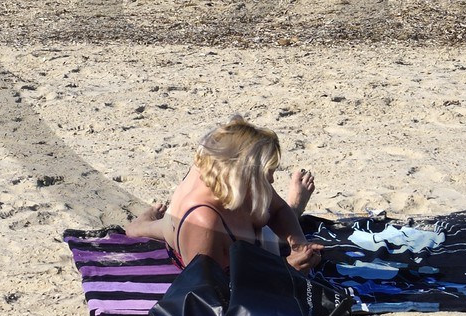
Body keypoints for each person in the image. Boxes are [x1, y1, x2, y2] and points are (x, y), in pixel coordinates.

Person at [124, 116, 320, 272]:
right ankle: (140, 226)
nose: (272, 180)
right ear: (244, 174)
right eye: (267, 174)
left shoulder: (232, 174)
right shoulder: (204, 222)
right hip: (194, 242)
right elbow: (210, 292)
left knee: (270, 221)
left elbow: (278, 209)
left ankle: (293, 209)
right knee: (145, 229)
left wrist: (299, 245)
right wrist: (285, 269)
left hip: (213, 221)